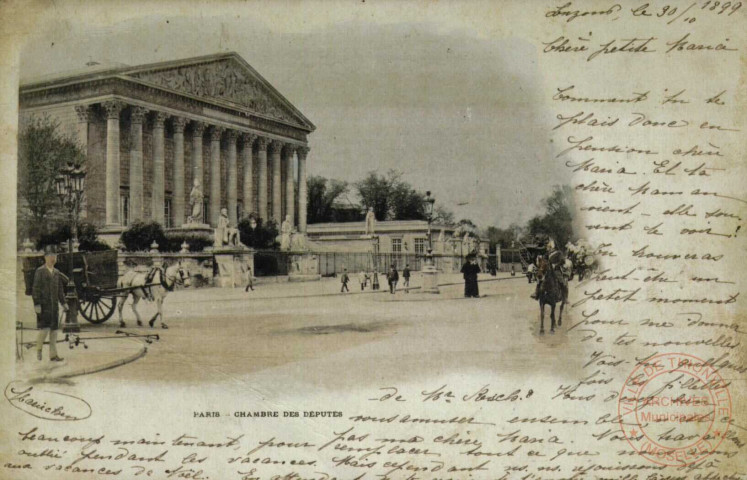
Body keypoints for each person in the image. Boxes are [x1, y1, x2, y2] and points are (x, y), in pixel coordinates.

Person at [32, 245, 68, 362]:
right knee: (44, 330)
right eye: (50, 256)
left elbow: (60, 290)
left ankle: (53, 355)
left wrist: (64, 303)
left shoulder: (57, 272)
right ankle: (39, 349)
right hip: (44, 306)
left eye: (55, 256)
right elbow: (35, 289)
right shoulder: (40, 271)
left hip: (54, 308)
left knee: (54, 331)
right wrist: (37, 304)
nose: (53, 259)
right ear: (45, 258)